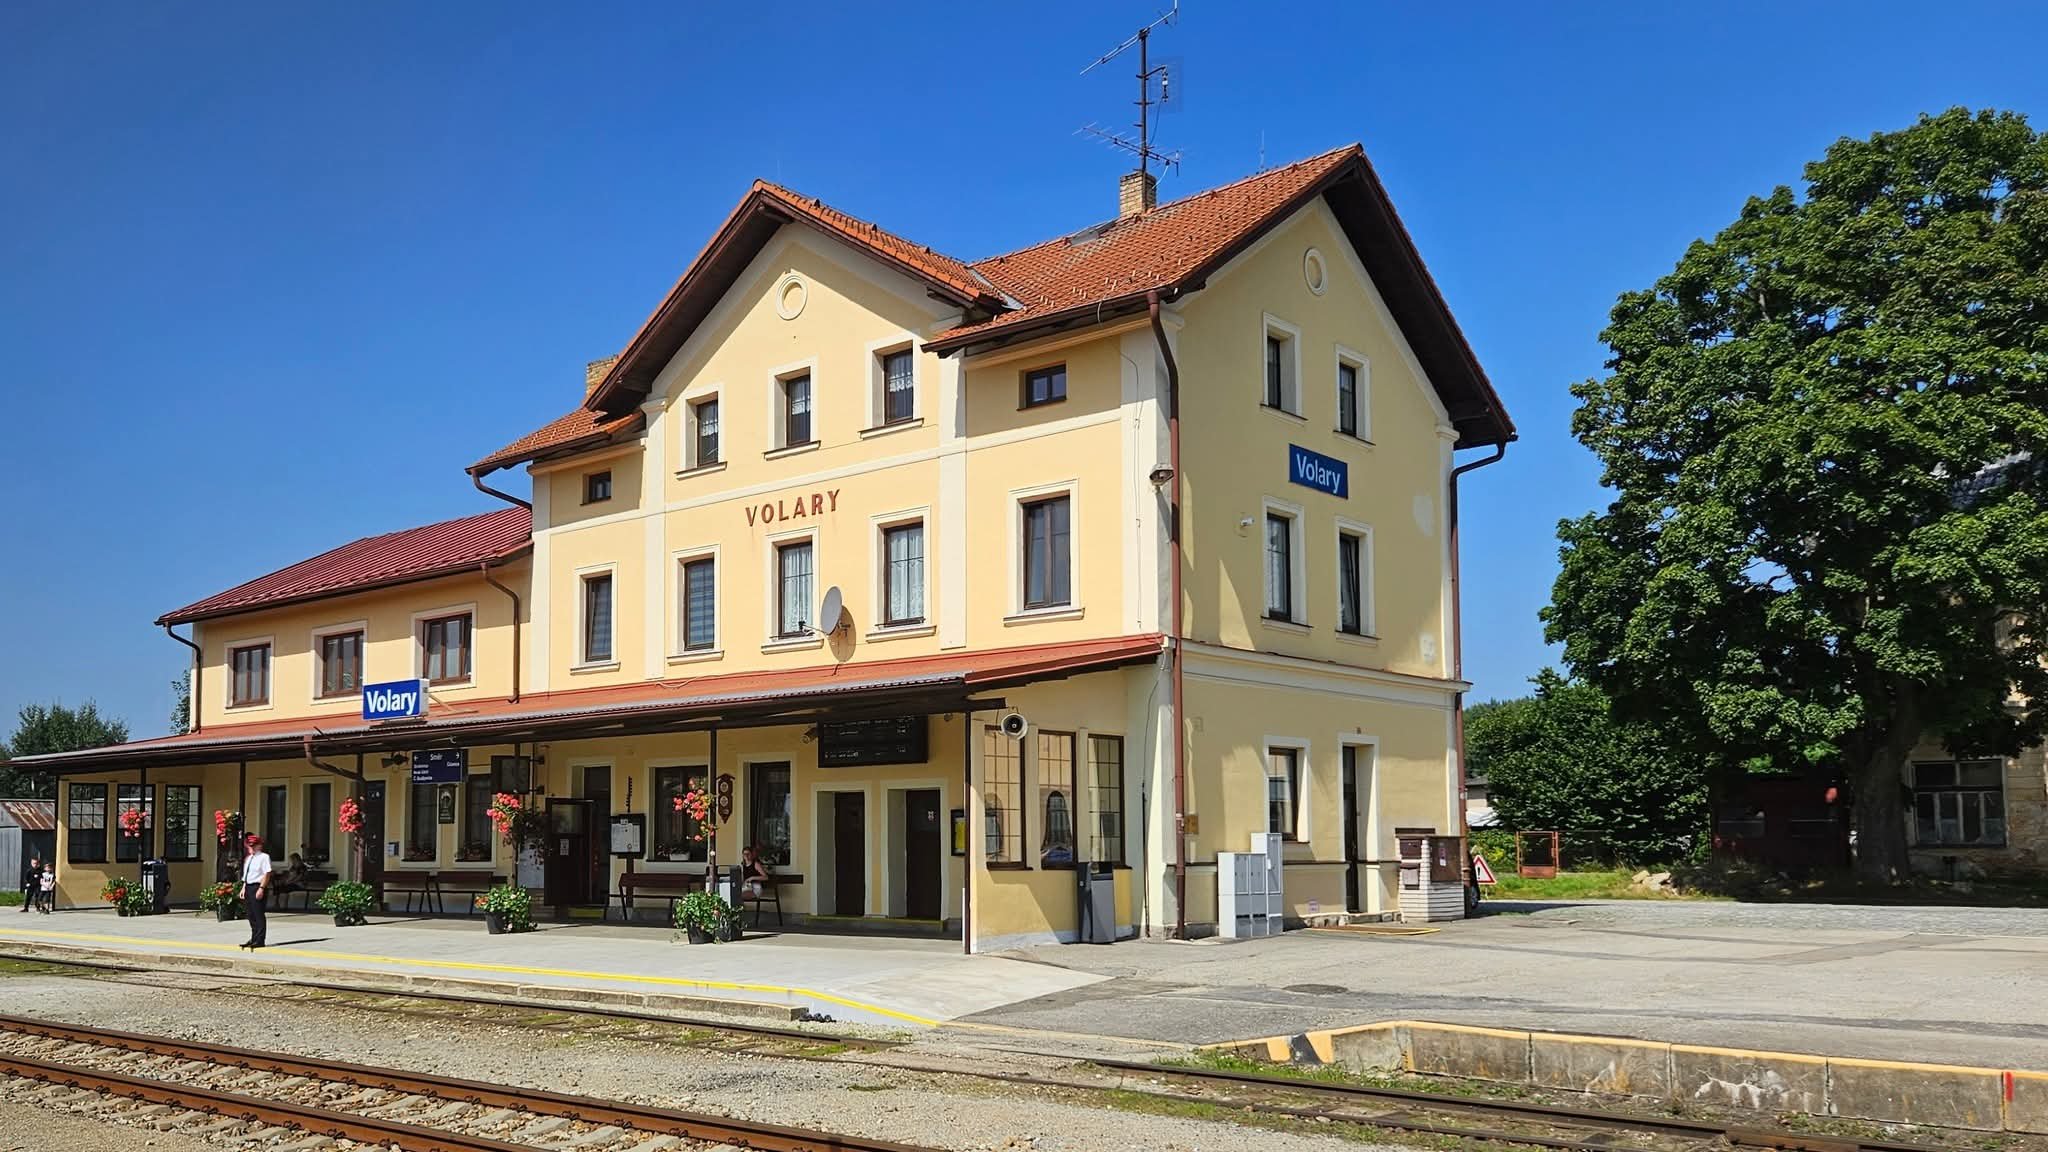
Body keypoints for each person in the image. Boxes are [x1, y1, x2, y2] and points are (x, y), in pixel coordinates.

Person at [240, 835, 273, 950]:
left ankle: (260, 940)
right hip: (248, 886)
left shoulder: (264, 857)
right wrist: (243, 888)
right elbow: (247, 875)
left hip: (257, 886)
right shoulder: (249, 858)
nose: (251, 848)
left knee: (258, 914)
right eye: (249, 846)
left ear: (259, 846)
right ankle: (254, 937)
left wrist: (262, 888)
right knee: (250, 914)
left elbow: (267, 873)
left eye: (254, 846)